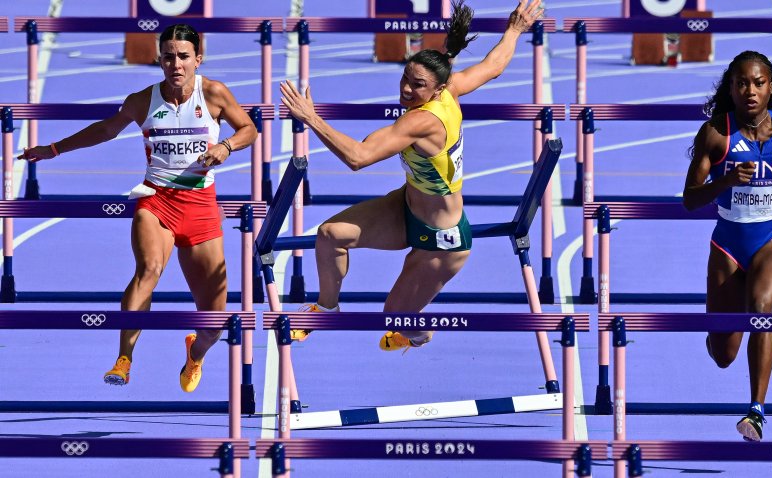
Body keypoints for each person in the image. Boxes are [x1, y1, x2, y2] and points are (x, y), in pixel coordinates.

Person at [280, 0, 543, 351]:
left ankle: (420, 335)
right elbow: (492, 66)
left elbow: (358, 158)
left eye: (416, 85)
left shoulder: (421, 122)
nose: (406, 89)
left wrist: (311, 118)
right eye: (405, 77)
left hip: (442, 239)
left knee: (397, 317)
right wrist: (514, 30)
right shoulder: (451, 87)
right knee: (329, 235)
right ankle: (326, 307)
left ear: (435, 91)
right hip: (406, 209)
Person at [18, 24, 257, 392]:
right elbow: (106, 129)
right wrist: (53, 149)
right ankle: (124, 358)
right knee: (149, 269)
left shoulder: (213, 94)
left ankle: (196, 353)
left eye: (183, 57)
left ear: (198, 59)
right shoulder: (143, 100)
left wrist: (225, 147)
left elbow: (249, 129)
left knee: (213, 320)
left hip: (201, 206)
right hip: (156, 199)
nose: (175, 64)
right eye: (168, 57)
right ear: (159, 59)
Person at [683, 50, 772, 441]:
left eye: (759, 83)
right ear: (731, 89)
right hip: (728, 246)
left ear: (771, 88)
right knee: (723, 355)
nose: (751, 90)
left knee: (762, 308)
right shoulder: (716, 133)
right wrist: (725, 182)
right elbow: (690, 198)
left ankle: (756, 412)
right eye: (742, 83)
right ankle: (720, 334)